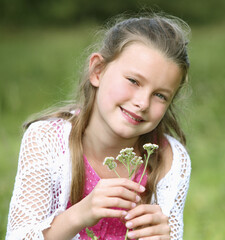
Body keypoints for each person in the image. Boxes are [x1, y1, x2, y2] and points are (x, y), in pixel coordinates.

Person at [6, 12, 191, 240]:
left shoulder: (169, 159)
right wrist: (80, 214)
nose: (142, 103)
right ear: (98, 71)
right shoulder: (47, 140)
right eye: (133, 81)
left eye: (160, 95)